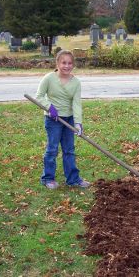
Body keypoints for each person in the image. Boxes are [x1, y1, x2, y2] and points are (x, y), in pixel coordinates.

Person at [35, 50, 90, 189]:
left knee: (69, 150)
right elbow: (39, 96)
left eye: (70, 63)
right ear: (57, 63)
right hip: (53, 120)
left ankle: (73, 179)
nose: (67, 66)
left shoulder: (76, 82)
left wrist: (78, 122)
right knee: (52, 149)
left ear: (73, 64)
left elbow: (76, 104)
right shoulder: (49, 78)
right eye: (63, 62)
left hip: (69, 119)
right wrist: (50, 107)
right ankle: (48, 179)